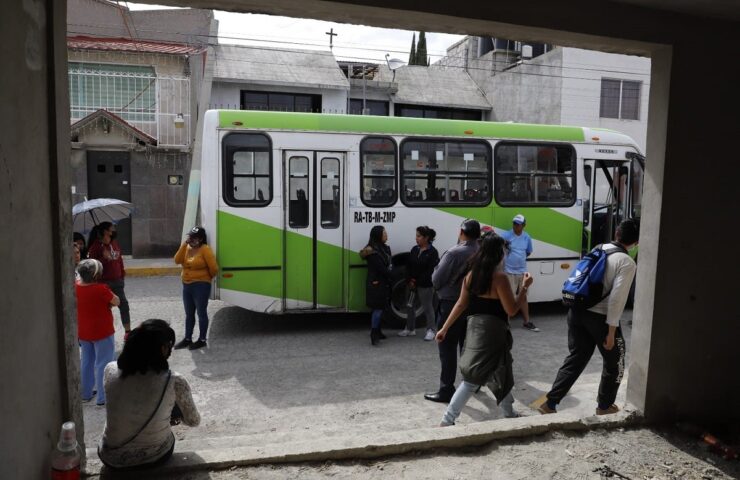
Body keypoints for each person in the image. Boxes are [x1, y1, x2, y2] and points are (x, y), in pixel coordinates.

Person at [538, 219, 639, 416]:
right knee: (615, 361)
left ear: (617, 233)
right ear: (636, 242)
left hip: (576, 311)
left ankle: (550, 403)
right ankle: (604, 406)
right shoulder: (626, 262)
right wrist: (611, 331)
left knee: (577, 357)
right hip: (600, 318)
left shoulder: (599, 248)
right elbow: (617, 299)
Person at [437, 233, 533, 425]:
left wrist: (444, 328)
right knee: (472, 380)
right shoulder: (500, 278)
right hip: (493, 332)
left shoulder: (471, 275)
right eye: (505, 251)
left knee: (502, 370)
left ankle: (509, 412)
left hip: (474, 329)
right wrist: (524, 288)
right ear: (499, 253)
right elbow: (512, 310)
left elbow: (460, 304)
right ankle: (447, 420)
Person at [98, 319, 200, 470]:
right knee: (171, 402)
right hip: (154, 457)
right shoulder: (174, 381)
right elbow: (193, 421)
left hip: (110, 458)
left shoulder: (109, 369)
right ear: (163, 349)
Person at [424, 219, 481, 403]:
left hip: (451, 304)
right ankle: (472, 383)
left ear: (461, 232)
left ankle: (446, 389)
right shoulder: (482, 252)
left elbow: (436, 279)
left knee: (447, 348)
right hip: (474, 305)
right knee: (468, 347)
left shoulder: (455, 252)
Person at [76, 259, 120, 406]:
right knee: (103, 363)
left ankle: (85, 393)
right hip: (102, 331)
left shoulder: (75, 287)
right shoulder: (102, 289)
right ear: (96, 274)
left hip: (83, 330)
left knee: (86, 361)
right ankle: (103, 397)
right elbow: (117, 301)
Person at [173, 226, 219, 350]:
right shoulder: (187, 248)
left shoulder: (205, 250)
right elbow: (177, 260)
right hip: (186, 285)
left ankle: (202, 339)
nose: (191, 240)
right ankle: (188, 338)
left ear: (201, 239)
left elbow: (214, 269)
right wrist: (184, 245)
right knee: (189, 313)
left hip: (201, 285)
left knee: (201, 312)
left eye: (194, 238)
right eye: (190, 237)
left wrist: (205, 279)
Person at [87, 222, 131, 339]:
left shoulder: (114, 243)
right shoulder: (95, 247)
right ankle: (102, 332)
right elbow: (92, 267)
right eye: (111, 228)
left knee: (124, 305)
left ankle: (128, 332)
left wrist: (121, 274)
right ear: (105, 231)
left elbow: (119, 259)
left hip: (117, 281)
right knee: (103, 309)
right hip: (103, 283)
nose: (113, 230)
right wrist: (103, 259)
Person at [399, 226, 439, 341]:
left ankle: (431, 330)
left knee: (427, 307)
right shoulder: (414, 249)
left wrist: (417, 281)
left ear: (426, 238)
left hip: (425, 285)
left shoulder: (432, 252)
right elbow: (409, 266)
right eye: (416, 236)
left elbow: (430, 271)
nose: (416, 238)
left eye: (419, 236)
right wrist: (409, 280)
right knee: (409, 305)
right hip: (411, 284)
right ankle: (410, 329)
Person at [501, 214, 538, 331]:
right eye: (514, 224)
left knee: (523, 297)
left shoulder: (527, 237)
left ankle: (527, 321)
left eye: (518, 224)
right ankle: (505, 322)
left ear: (523, 226)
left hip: (522, 271)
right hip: (509, 271)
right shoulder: (506, 236)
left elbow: (528, 252)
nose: (516, 226)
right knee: (508, 297)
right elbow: (501, 252)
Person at [359, 225, 392, 346]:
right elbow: (381, 268)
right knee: (377, 309)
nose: (386, 235)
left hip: (383, 283)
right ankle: (374, 334)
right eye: (384, 233)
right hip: (376, 283)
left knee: (381, 307)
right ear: (378, 235)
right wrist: (391, 274)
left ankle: (378, 331)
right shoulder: (371, 251)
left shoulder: (385, 248)